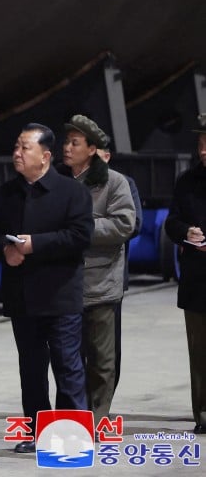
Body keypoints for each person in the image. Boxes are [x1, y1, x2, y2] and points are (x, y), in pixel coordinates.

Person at [0, 123, 93, 454]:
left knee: (67, 365)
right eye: (16, 146)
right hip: (22, 295)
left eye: (24, 147)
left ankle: (73, 435)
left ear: (45, 156)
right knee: (30, 367)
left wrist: (35, 245)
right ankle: (36, 431)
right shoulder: (6, 193)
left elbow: (80, 236)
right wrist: (5, 249)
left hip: (60, 294)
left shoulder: (72, 192)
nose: (17, 153)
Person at [58, 115, 135, 423]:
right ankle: (76, 415)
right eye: (66, 142)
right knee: (68, 357)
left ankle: (99, 415)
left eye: (74, 143)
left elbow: (124, 223)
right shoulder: (59, 181)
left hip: (101, 282)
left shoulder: (113, 182)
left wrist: (81, 228)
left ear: (91, 149)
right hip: (64, 283)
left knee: (102, 358)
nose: (67, 148)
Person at [163, 113, 206, 435]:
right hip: (197, 280)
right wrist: (185, 232)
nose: (203, 150)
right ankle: (203, 414)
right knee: (199, 351)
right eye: (201, 144)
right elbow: (172, 221)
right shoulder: (187, 181)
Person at [96, 144, 143, 391]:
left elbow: (133, 225)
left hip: (109, 276)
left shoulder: (123, 184)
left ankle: (104, 398)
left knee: (108, 346)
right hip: (71, 279)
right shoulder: (68, 182)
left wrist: (88, 229)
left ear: (106, 156)